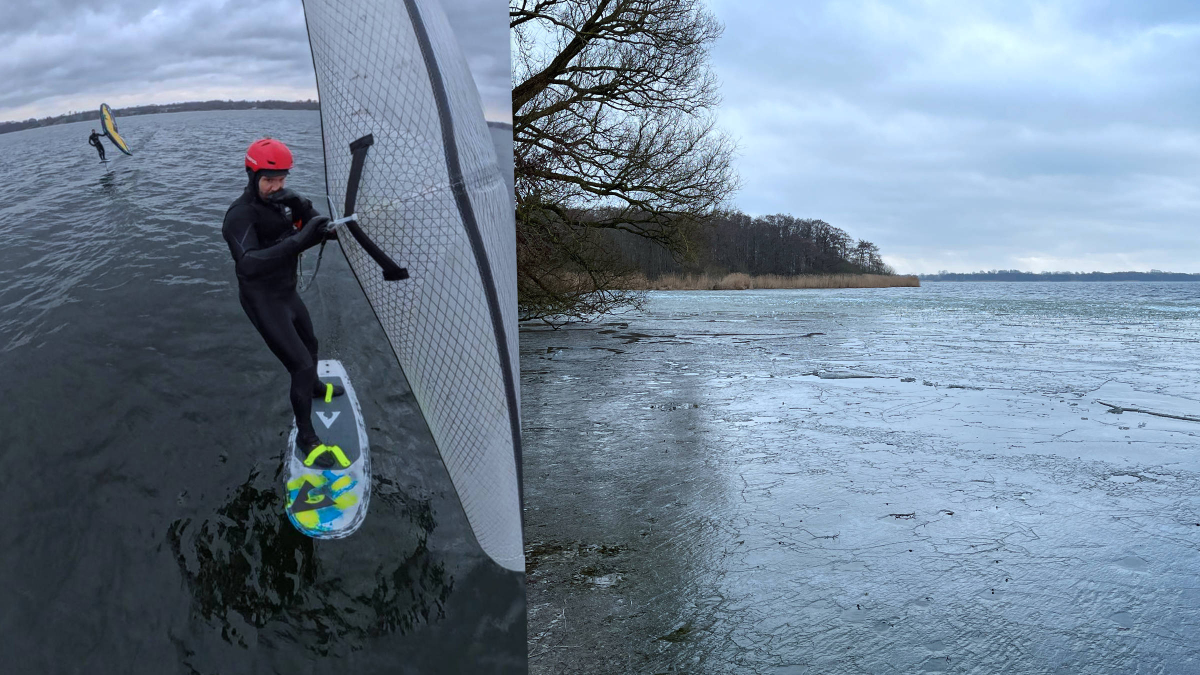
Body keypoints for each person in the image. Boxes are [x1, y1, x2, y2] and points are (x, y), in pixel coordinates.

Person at [221, 138, 345, 469]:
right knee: (301, 365)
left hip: (286, 292)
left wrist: (300, 203)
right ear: (251, 175)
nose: (276, 187)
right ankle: (307, 437)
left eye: (281, 180)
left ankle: (316, 388)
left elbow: (323, 230)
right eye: (268, 180)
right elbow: (247, 263)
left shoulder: (280, 203)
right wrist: (298, 240)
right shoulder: (239, 215)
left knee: (311, 344)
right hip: (262, 299)